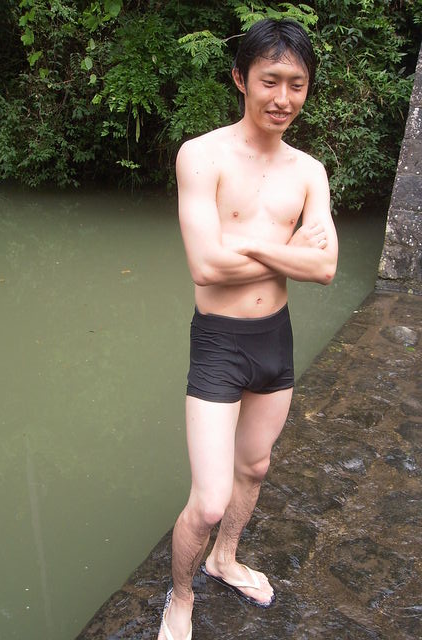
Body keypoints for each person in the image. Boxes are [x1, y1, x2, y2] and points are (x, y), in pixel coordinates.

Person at [158, 17, 338, 640]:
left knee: (255, 468)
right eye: (270, 80)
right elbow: (206, 267)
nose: (283, 98)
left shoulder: (309, 171)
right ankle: (181, 596)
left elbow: (326, 268)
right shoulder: (201, 155)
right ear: (241, 78)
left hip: (274, 338)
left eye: (297, 84)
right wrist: (287, 248)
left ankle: (224, 559)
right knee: (209, 499)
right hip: (219, 342)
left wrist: (254, 245)